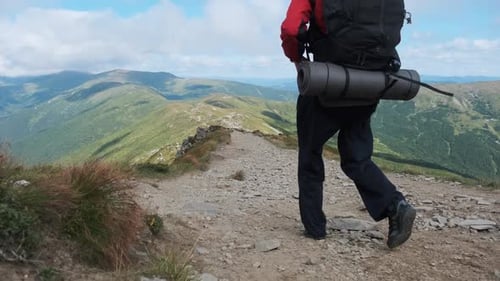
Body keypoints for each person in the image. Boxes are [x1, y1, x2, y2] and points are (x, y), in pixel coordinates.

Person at [280, 0, 416, 249]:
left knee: (310, 155)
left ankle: (315, 228)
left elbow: (291, 29)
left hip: (327, 83)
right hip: (369, 84)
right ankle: (395, 205)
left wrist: (296, 58)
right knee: (357, 157)